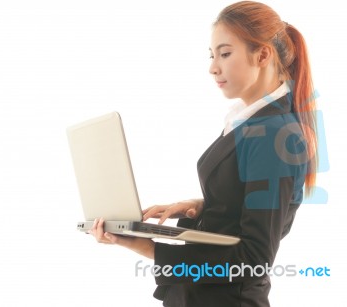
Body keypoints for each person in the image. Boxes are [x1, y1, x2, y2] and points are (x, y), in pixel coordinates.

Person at [88, 1, 318, 306]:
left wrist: (147, 248)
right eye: (212, 56)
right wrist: (202, 205)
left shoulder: (272, 133)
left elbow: (253, 260)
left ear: (262, 54)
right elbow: (248, 200)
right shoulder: (251, 122)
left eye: (224, 53)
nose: (213, 67)